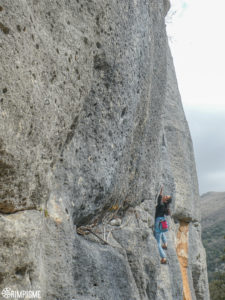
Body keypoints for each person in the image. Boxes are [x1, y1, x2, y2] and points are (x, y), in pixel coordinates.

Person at [154, 186, 172, 264]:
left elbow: (159, 199)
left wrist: (161, 191)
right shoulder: (165, 206)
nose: (164, 196)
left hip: (158, 221)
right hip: (162, 221)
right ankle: (165, 243)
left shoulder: (161, 205)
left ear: (166, 200)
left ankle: (163, 257)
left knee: (157, 242)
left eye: (166, 197)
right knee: (161, 232)